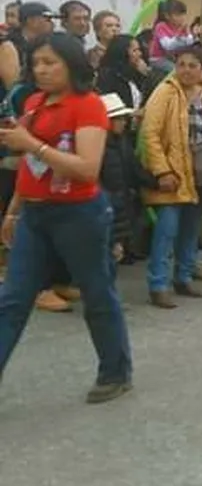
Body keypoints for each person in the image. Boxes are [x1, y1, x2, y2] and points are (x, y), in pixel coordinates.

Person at [0, 33, 132, 403]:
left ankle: (115, 372)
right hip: (35, 214)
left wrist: (32, 144)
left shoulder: (88, 106)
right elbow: (30, 166)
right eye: (36, 63)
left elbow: (87, 169)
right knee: (12, 300)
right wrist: (13, 211)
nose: (41, 70)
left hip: (79, 215)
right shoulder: (34, 103)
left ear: (71, 65)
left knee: (97, 294)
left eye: (50, 62)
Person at [139, 46, 202, 309]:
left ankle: (184, 277)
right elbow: (150, 134)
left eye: (192, 65)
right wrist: (162, 170)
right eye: (182, 64)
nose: (186, 70)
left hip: (200, 172)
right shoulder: (165, 93)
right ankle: (158, 284)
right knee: (166, 231)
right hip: (173, 173)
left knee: (191, 228)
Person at [99, 93, 152, 264]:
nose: (124, 122)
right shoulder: (100, 145)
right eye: (119, 118)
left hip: (121, 204)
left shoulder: (122, 142)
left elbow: (134, 169)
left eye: (124, 118)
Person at [95, 35, 153, 111]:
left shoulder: (135, 73)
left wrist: (146, 75)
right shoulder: (108, 76)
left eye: (139, 50)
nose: (140, 54)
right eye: (135, 51)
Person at [148, 0, 196, 72]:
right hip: (158, 59)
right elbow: (168, 46)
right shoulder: (161, 26)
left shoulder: (180, 27)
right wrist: (179, 34)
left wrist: (189, 33)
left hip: (173, 58)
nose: (181, 18)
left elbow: (189, 43)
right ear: (167, 16)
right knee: (177, 71)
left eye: (183, 14)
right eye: (178, 15)